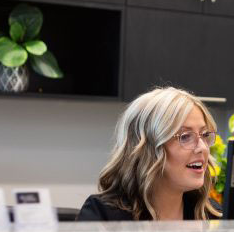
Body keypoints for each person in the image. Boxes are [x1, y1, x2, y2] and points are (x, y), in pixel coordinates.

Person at [77, 86, 222, 221]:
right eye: (185, 136)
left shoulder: (213, 215)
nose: (202, 147)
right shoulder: (103, 215)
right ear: (148, 147)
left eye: (204, 134)